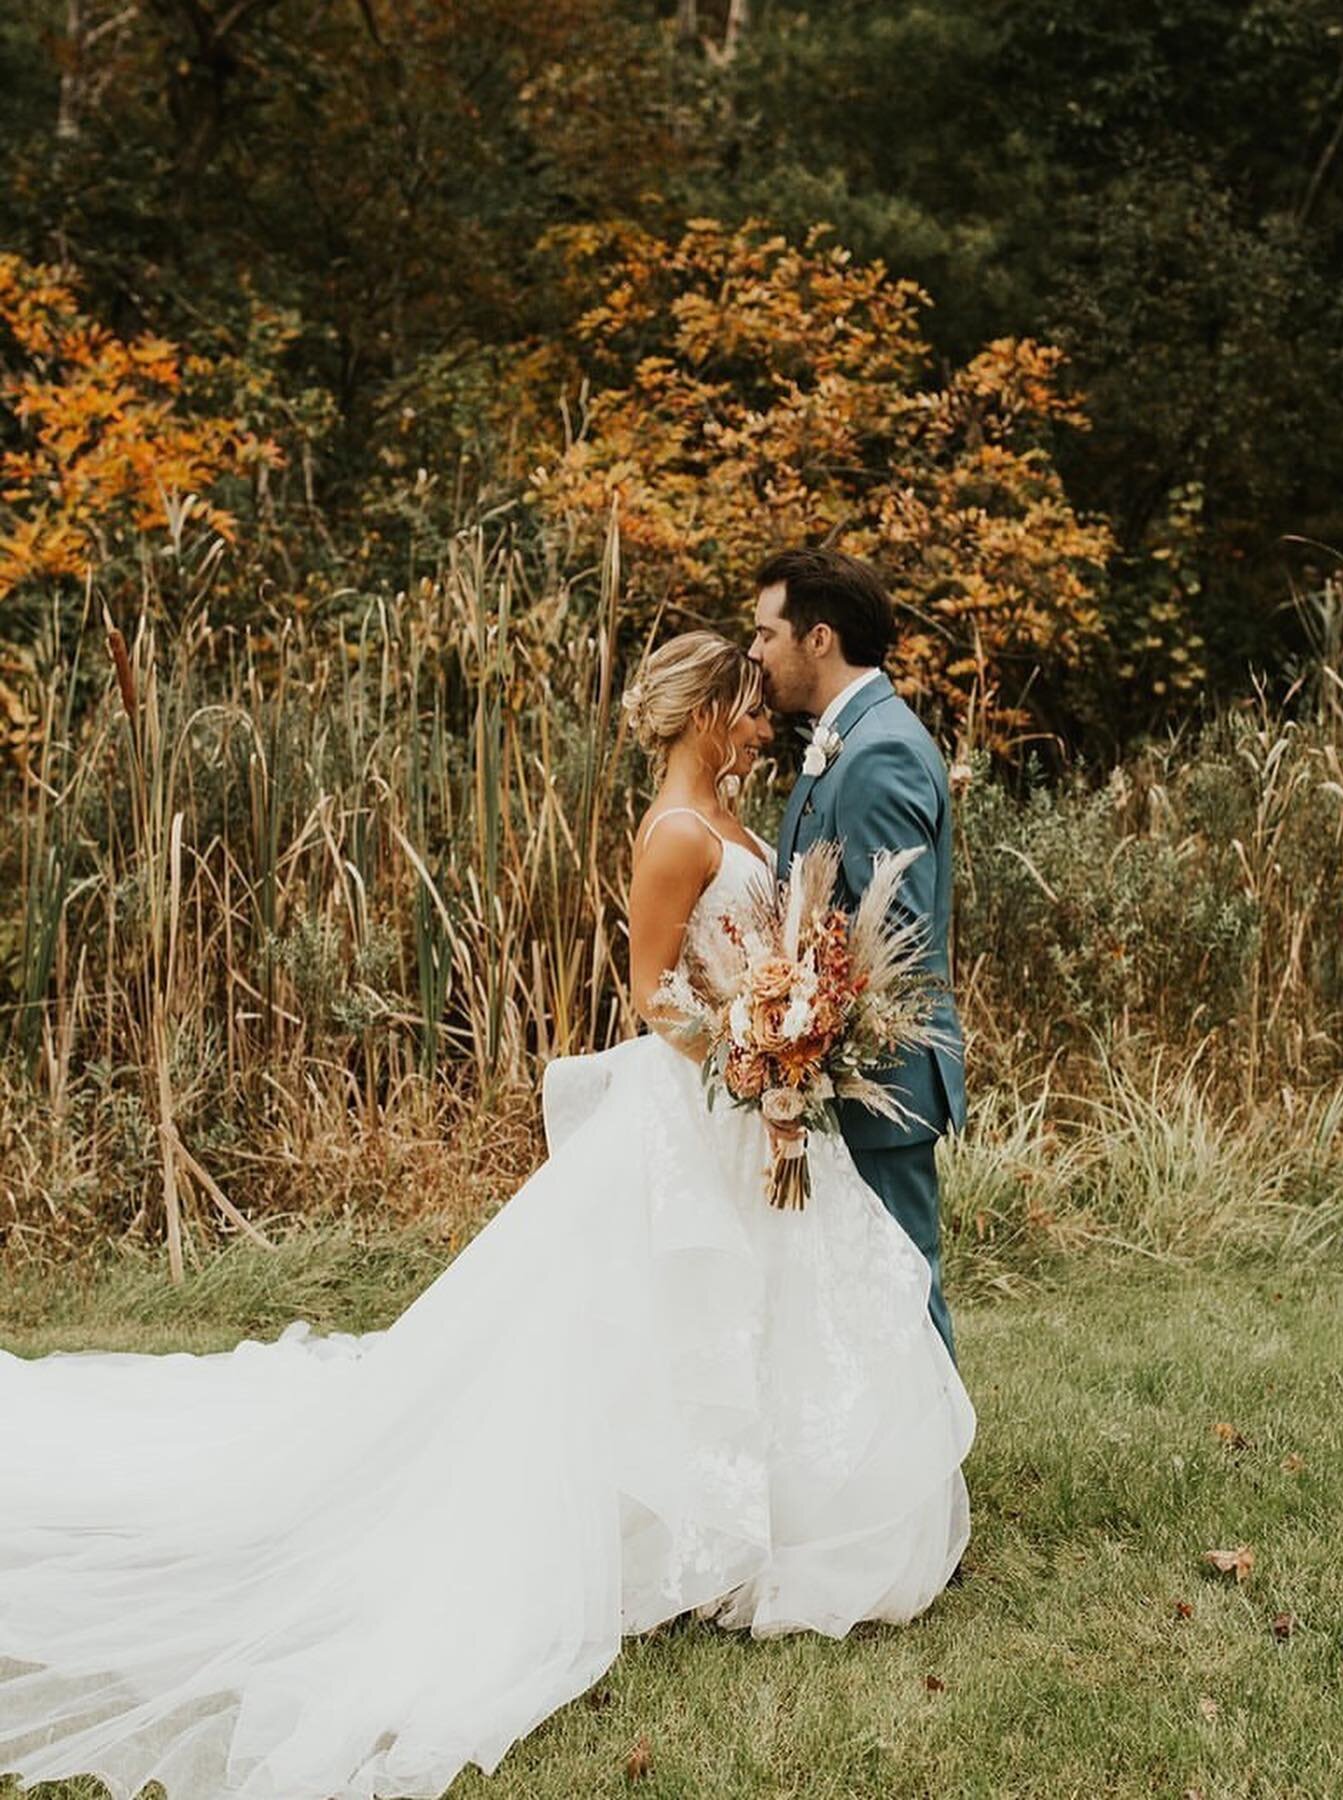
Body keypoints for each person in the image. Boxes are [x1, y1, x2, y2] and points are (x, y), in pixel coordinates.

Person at [0, 629, 974, 1800]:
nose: (763, 726)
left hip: (744, 1103)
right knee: (674, 1315)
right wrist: (751, 1055)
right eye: (750, 709)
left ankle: (744, 1521)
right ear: (707, 712)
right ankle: (697, 1532)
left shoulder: (722, 822)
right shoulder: (673, 834)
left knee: (751, 1315)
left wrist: (781, 1040)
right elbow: (649, 990)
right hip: (701, 1105)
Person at [749, 548, 967, 1362]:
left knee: (899, 1280)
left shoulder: (878, 751)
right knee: (859, 1287)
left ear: (818, 639)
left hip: (883, 1076)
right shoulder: (840, 740)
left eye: (765, 634)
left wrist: (801, 1036)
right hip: (839, 1072)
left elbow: (893, 946)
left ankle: (938, 1479)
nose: (755, 653)